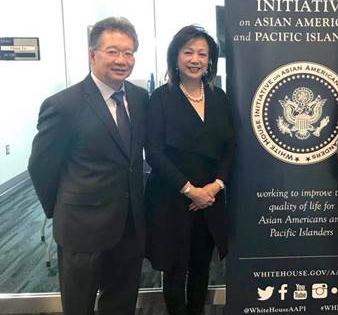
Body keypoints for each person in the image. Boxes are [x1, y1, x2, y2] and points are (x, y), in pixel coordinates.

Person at [28, 16, 149, 315]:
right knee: (79, 306)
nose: (122, 60)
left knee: (121, 304)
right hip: (82, 229)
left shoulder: (139, 98)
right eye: (113, 51)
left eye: (129, 52)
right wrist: (63, 209)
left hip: (130, 225)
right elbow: (41, 167)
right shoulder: (63, 105)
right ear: (92, 54)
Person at [145, 25, 234, 315]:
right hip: (173, 199)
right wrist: (189, 190)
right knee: (174, 271)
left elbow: (230, 147)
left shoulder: (219, 97)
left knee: (201, 268)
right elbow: (153, 152)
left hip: (209, 199)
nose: (195, 59)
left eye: (202, 54)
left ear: (210, 60)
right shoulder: (160, 98)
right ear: (176, 57)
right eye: (188, 52)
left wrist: (215, 186)